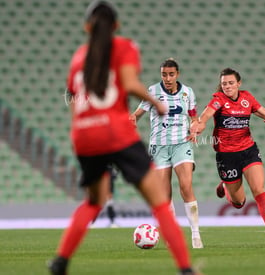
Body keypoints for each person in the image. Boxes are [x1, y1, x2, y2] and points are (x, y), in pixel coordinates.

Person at [48, 1, 197, 274]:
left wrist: (78, 132)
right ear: (116, 26)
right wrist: (157, 103)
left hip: (84, 136)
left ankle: (61, 261)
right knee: (159, 201)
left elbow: (73, 99)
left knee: (93, 201)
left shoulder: (79, 57)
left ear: (86, 27)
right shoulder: (124, 47)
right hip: (117, 134)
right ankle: (186, 269)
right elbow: (128, 83)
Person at [190, 67, 265, 246]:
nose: (227, 86)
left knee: (259, 189)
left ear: (238, 84)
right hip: (227, 155)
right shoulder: (218, 100)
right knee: (239, 202)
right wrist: (198, 126)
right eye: (224, 83)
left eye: (231, 83)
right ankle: (226, 187)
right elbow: (206, 116)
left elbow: (261, 111)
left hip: (248, 150)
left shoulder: (246, 98)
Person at [130, 58, 203, 249]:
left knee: (186, 186)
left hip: (181, 143)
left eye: (171, 74)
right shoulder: (153, 91)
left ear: (177, 74)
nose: (168, 78)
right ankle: (172, 236)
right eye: (164, 74)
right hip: (159, 147)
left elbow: (194, 116)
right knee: (164, 195)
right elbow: (138, 112)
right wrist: (132, 118)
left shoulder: (188, 92)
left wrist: (195, 127)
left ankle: (196, 235)